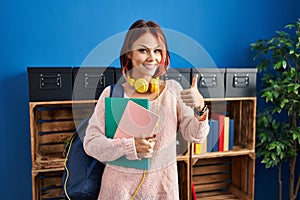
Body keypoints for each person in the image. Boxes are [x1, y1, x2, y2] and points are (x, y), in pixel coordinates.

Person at [83, 19, 209, 200]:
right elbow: (91, 143)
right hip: (117, 193)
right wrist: (130, 146)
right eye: (143, 50)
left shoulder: (173, 90)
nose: (152, 58)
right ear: (129, 54)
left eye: (157, 50)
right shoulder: (112, 94)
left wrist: (200, 107)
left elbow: (195, 135)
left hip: (162, 192)